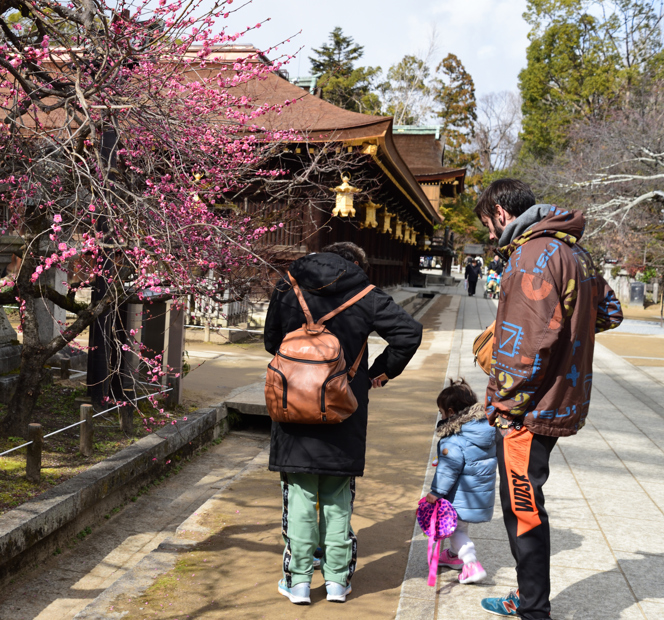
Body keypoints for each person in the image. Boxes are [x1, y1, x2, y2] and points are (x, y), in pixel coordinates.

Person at [473, 179, 623, 618]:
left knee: (523, 509)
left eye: (487, 224)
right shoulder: (575, 251)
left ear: (501, 213)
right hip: (562, 398)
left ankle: (533, 609)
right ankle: (529, 598)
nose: (489, 234)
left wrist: (501, 403)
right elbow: (610, 312)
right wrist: (570, 330)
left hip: (527, 409)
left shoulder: (530, 255)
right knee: (528, 501)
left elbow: (529, 344)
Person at [264, 241, 423, 606]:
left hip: (292, 407)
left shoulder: (288, 284)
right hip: (343, 408)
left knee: (299, 496)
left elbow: (271, 341)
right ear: (354, 265)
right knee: (337, 498)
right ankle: (337, 581)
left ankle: (298, 582)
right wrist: (377, 372)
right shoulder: (366, 294)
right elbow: (409, 333)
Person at [427, 379, 496, 585]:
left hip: (459, 495)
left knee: (455, 530)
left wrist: (436, 492)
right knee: (460, 526)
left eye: (441, 412)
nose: (441, 416)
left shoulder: (454, 438)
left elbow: (448, 470)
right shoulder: (484, 430)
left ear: (450, 412)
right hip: (478, 494)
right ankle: (454, 556)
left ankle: (471, 564)